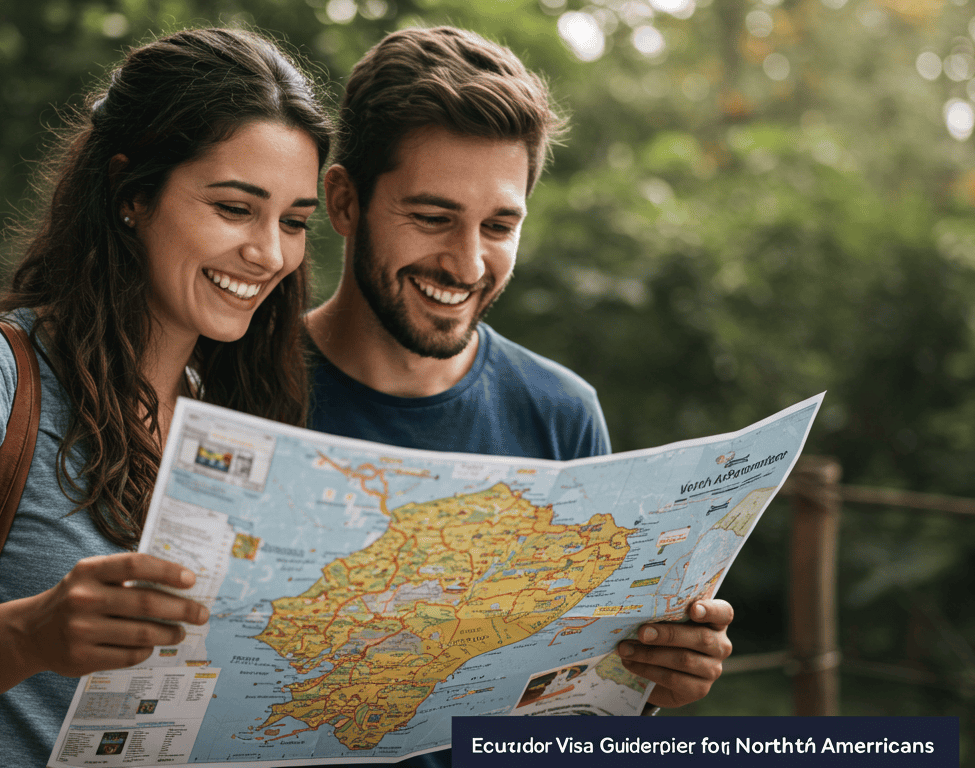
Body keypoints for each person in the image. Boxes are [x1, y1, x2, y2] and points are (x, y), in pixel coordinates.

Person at [0, 27, 331, 766]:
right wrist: (30, 636)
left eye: (294, 222)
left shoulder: (234, 426)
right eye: (235, 208)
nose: (270, 253)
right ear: (131, 194)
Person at [304, 26, 735, 728]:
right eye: (433, 217)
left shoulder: (560, 414)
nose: (467, 263)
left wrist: (646, 688)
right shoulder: (227, 386)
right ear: (344, 201)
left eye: (500, 227)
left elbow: (571, 718)